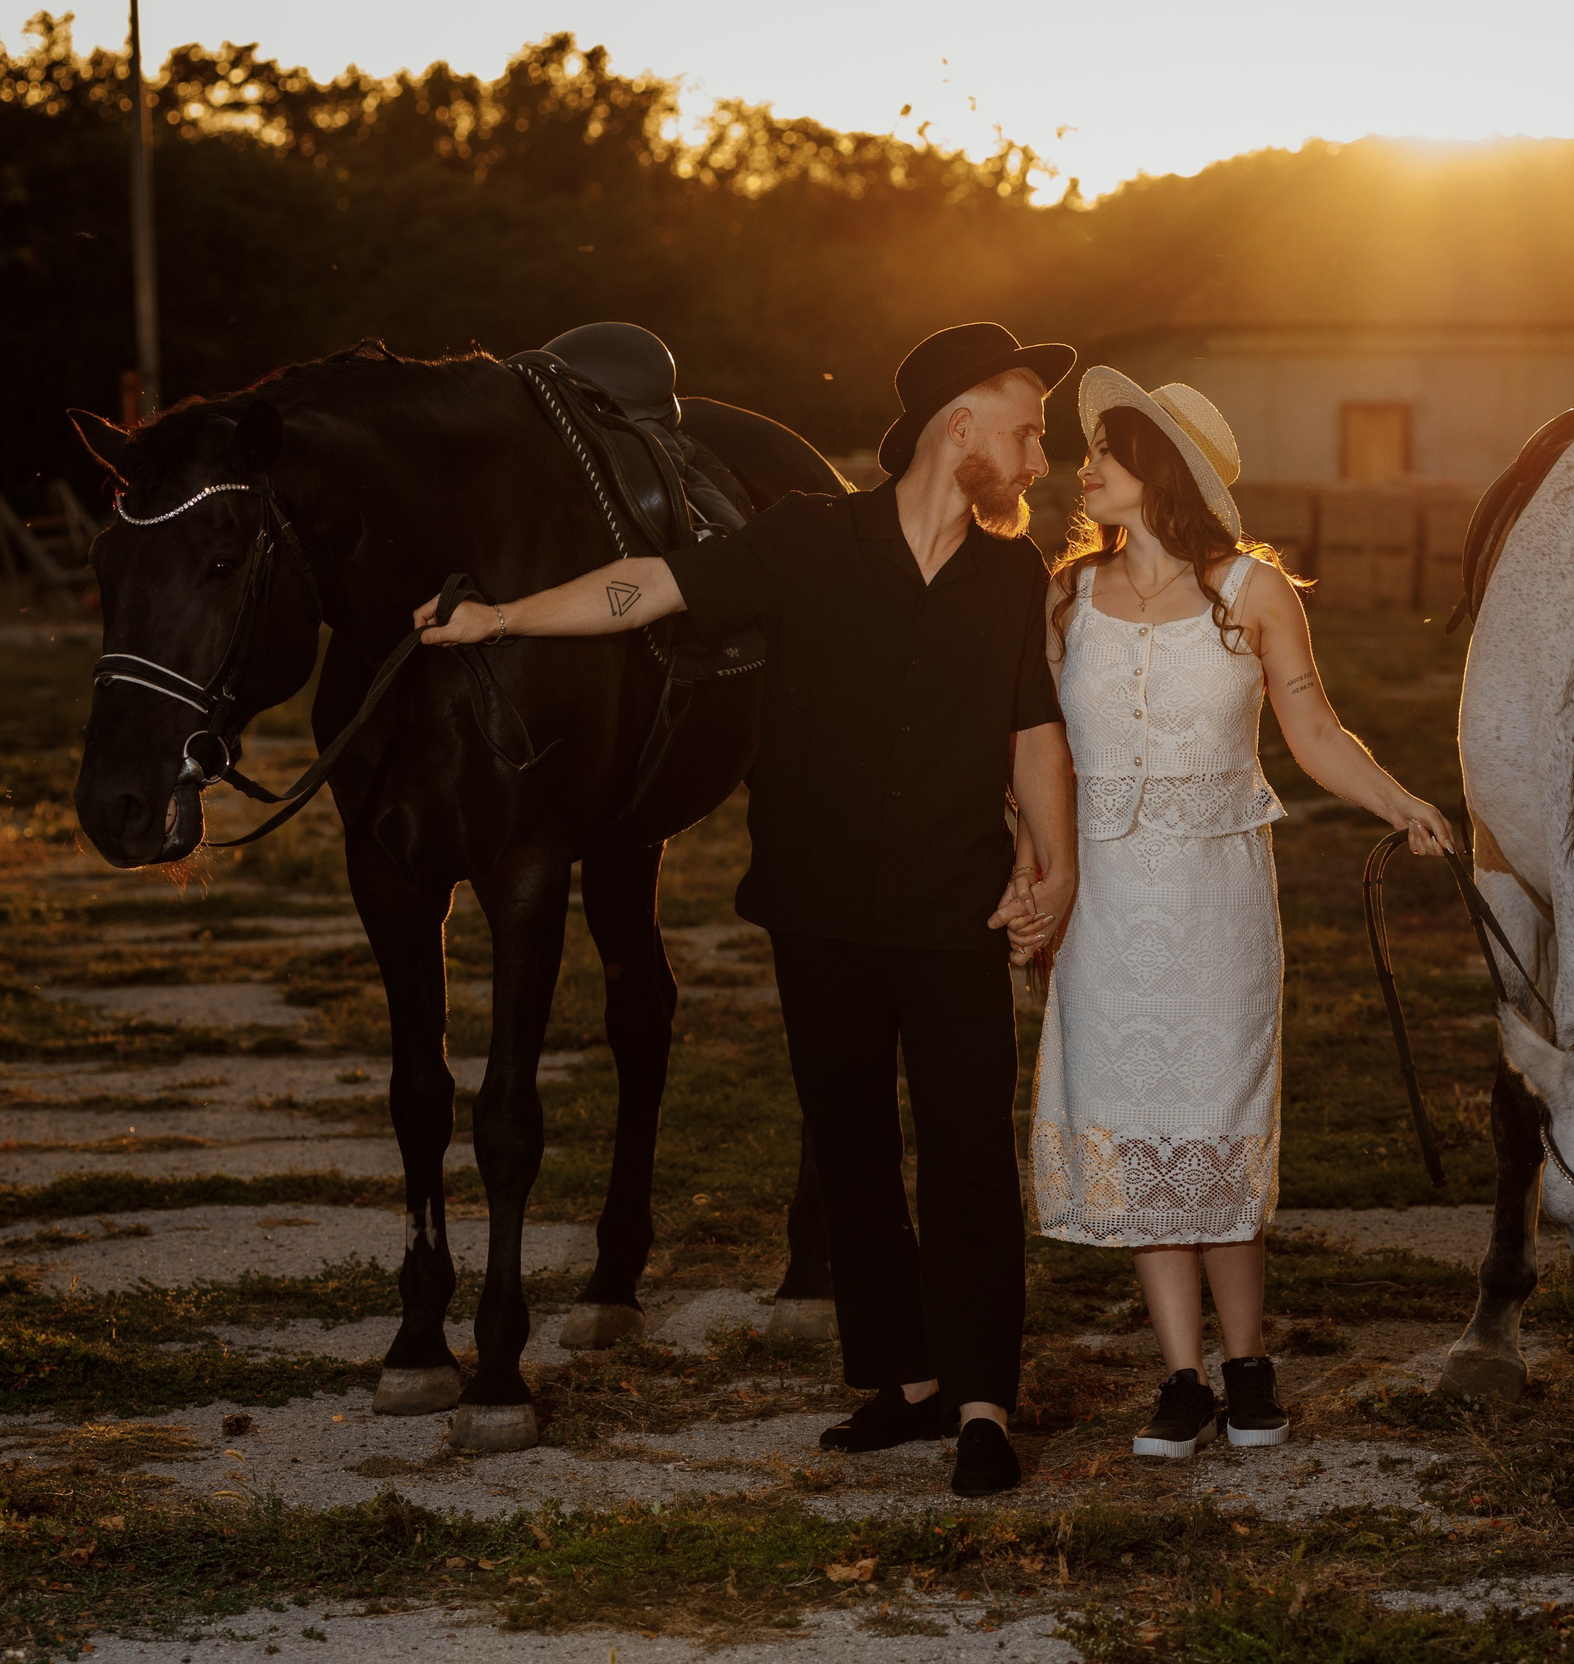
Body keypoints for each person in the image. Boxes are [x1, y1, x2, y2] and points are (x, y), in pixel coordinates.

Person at [418, 321, 1080, 1497]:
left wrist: (1055, 871)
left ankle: (982, 1400)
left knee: (969, 1149)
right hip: (817, 905)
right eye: (1026, 432)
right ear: (959, 429)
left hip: (949, 905)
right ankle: (903, 1382)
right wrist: (502, 618)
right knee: (853, 1145)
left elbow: (1034, 731)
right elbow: (646, 589)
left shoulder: (1009, 575)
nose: (1039, 459)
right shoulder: (803, 541)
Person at [1012, 368, 1453, 1460]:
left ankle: (1248, 1362)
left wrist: (1400, 801)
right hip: (1106, 902)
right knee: (1137, 1124)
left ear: (1162, 467)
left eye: (1107, 449)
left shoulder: (1253, 592)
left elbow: (1312, 730)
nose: (1085, 466)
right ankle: (1179, 1376)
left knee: (1213, 1121)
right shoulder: (1066, 595)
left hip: (1213, 895)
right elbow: (1039, 757)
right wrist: (1033, 866)